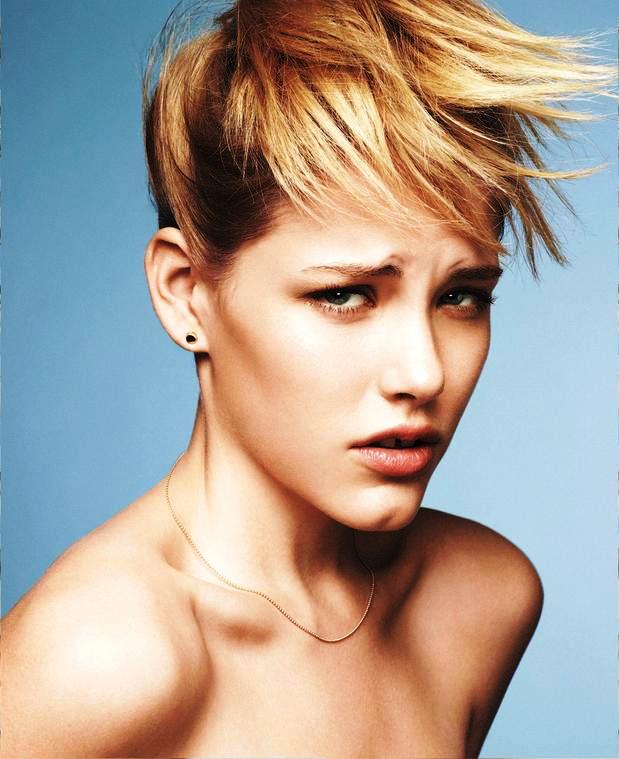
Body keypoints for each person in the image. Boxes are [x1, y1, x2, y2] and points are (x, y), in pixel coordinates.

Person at [1, 1, 613, 756]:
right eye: (345, 295)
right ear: (186, 292)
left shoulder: (480, 601)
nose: (423, 373)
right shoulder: (94, 662)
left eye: (461, 296)